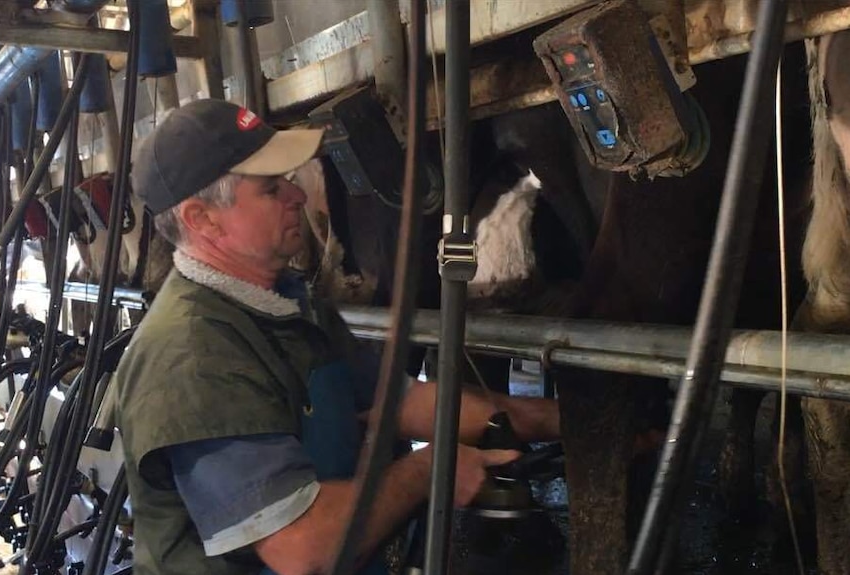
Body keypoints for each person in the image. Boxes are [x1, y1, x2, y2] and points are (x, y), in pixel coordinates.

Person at [114, 99, 561, 575]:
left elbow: (406, 403)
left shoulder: (287, 305)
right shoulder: (194, 356)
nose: (298, 196)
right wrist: (428, 470)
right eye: (271, 189)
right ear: (202, 219)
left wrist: (570, 422)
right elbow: (302, 547)